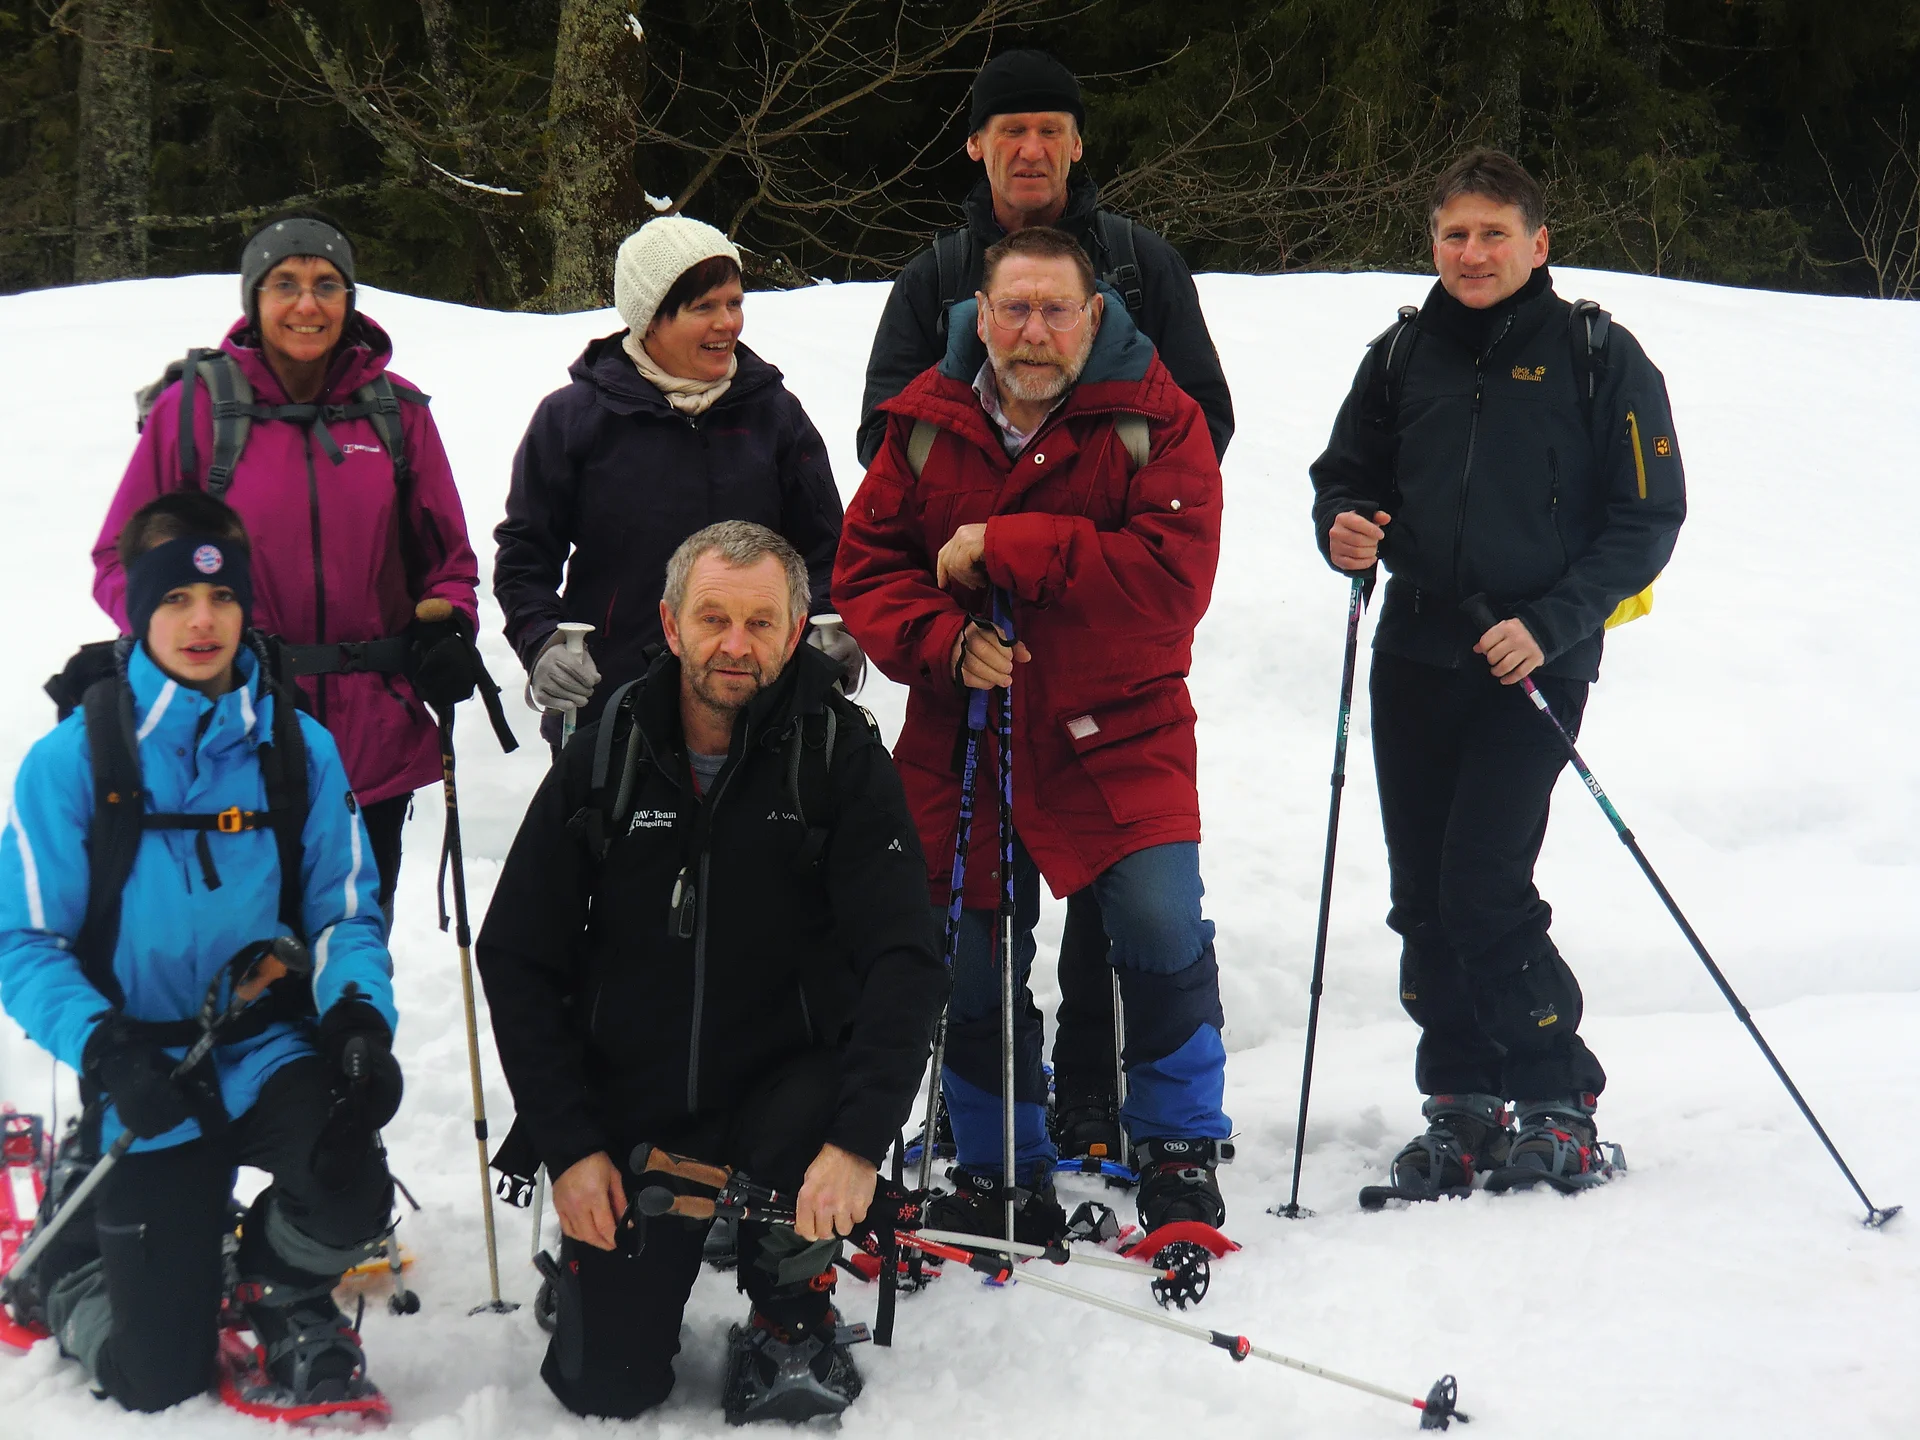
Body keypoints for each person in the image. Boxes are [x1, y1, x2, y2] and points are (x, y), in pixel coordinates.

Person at [475, 522, 944, 1424]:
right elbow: (518, 955)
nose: (737, 644)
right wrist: (569, 1148)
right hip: (635, 1113)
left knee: (811, 1118)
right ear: (671, 622)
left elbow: (906, 960)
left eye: (762, 622)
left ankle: (790, 1300)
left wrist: (857, 1145)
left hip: (789, 1105)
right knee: (605, 1388)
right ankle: (607, 1285)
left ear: (799, 628)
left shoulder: (840, 756)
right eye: (714, 618)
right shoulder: (606, 749)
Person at [858, 50, 1235, 1162]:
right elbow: (883, 481)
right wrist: (942, 616)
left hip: (1107, 696)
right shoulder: (931, 288)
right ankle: (1000, 1142)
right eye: (1007, 128)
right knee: (978, 934)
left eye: (1050, 128)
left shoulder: (1144, 272)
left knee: (1132, 921)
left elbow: (1195, 432)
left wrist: (1042, 528)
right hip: (973, 703)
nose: (1032, 330)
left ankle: (1123, 1116)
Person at [1308, 149, 1687, 1197]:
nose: (1471, 253)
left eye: (1492, 233)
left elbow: (1646, 519)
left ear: (1538, 244)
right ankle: (1463, 1099)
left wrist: (1555, 621)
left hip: (1534, 660)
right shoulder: (1398, 356)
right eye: (1453, 234)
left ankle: (1558, 1091)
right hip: (1415, 652)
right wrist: (1339, 526)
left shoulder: (1601, 356)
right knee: (1424, 896)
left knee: (1483, 883)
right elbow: (1347, 476)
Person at [0, 493, 401, 1413]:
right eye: (177, 598)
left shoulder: (297, 750)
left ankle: (270, 1279)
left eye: (222, 600)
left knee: (350, 1191)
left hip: (263, 1047)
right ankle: (69, 1274)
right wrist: (104, 1050)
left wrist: (355, 1019)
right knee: (157, 1379)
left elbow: (346, 914)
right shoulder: (74, 761)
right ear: (140, 608)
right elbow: (21, 938)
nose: (202, 621)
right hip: (146, 1069)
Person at [90, 215, 485, 927]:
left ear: (350, 299)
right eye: (286, 285)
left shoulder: (397, 412)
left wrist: (448, 626)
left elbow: (448, 563)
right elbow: (120, 562)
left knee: (353, 938)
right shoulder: (197, 410)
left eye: (327, 285)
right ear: (254, 299)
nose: (308, 304)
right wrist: (193, 649)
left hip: (373, 735)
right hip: (234, 729)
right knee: (243, 951)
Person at [494, 216, 852, 752]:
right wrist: (541, 642)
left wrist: (832, 622)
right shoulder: (575, 419)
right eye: (703, 307)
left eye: (734, 303)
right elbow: (525, 555)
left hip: (758, 705)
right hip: (613, 709)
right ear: (649, 320)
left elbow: (826, 545)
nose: (727, 323)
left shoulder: (774, 414)